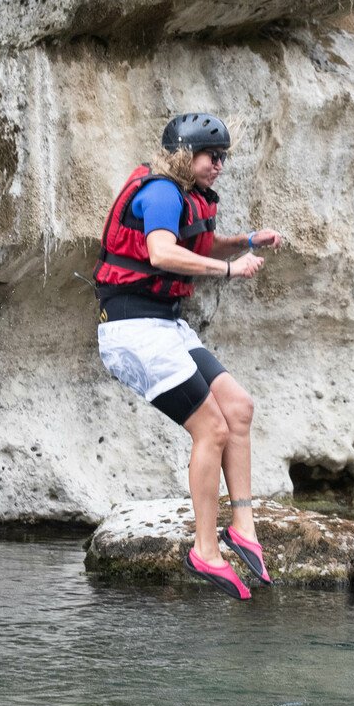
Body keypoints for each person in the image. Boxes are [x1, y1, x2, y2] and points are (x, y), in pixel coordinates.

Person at [95, 113, 282, 601]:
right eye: (210, 156)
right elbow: (160, 253)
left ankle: (242, 526)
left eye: (222, 157)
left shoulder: (187, 198)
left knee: (238, 408)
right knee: (211, 429)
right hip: (132, 329)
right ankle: (205, 549)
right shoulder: (159, 191)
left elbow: (194, 240)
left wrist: (246, 240)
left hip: (164, 324)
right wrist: (229, 268)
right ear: (183, 153)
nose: (219, 165)